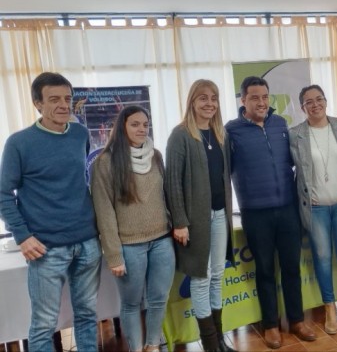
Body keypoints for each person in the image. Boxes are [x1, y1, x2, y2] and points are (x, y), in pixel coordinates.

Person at [0, 72, 101, 352]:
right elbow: (3, 194)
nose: (63, 105)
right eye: (54, 99)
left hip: (87, 243)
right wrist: (22, 236)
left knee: (87, 316)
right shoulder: (19, 143)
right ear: (37, 104)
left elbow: (83, 180)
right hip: (46, 248)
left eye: (67, 99)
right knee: (44, 324)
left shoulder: (80, 134)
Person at [225, 76, 316, 349]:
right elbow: (223, 171)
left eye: (265, 97)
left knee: (291, 268)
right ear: (243, 100)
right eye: (254, 97)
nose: (261, 102)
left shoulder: (280, 124)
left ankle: (297, 321)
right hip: (255, 213)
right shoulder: (231, 131)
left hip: (288, 209)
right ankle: (271, 326)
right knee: (265, 271)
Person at [90, 105, 175, 352]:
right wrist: (114, 255)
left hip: (162, 241)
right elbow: (104, 212)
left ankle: (152, 345)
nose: (141, 129)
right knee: (131, 304)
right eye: (135, 124)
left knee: (159, 299)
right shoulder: (104, 163)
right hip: (129, 246)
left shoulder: (156, 156)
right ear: (122, 127)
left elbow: (165, 195)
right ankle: (136, 348)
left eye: (145, 124)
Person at [165, 79, 236, 352]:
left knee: (217, 275)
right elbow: (172, 183)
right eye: (203, 98)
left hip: (220, 215)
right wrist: (180, 222)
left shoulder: (220, 134)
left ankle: (219, 340)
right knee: (201, 277)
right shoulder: (180, 135)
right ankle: (210, 345)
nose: (209, 103)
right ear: (192, 102)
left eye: (214, 98)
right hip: (195, 220)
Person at [289, 85, 337, 335]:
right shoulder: (295, 134)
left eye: (319, 99)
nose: (315, 104)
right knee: (321, 259)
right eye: (309, 101)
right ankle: (330, 308)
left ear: (326, 101)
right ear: (302, 107)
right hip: (316, 208)